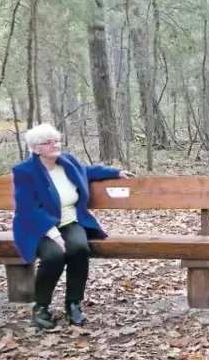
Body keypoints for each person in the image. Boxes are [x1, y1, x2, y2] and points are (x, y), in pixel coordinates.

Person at [12, 123, 134, 329]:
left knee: (79, 249)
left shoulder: (68, 161)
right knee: (54, 256)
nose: (55, 145)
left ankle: (73, 304)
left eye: (57, 140)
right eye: (48, 142)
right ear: (35, 148)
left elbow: (87, 171)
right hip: (38, 226)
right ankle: (41, 307)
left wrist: (115, 172)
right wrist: (53, 234)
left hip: (69, 220)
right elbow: (27, 208)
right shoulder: (25, 172)